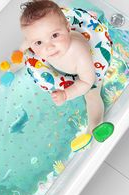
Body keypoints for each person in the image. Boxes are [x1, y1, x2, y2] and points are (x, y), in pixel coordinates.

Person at [19, 0, 106, 134]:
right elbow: (27, 44)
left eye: (54, 35)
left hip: (90, 68)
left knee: (92, 95)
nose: (48, 46)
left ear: (67, 27)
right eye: (39, 42)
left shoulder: (78, 52)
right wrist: (19, 53)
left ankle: (95, 127)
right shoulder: (39, 44)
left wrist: (66, 94)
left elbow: (86, 82)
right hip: (66, 67)